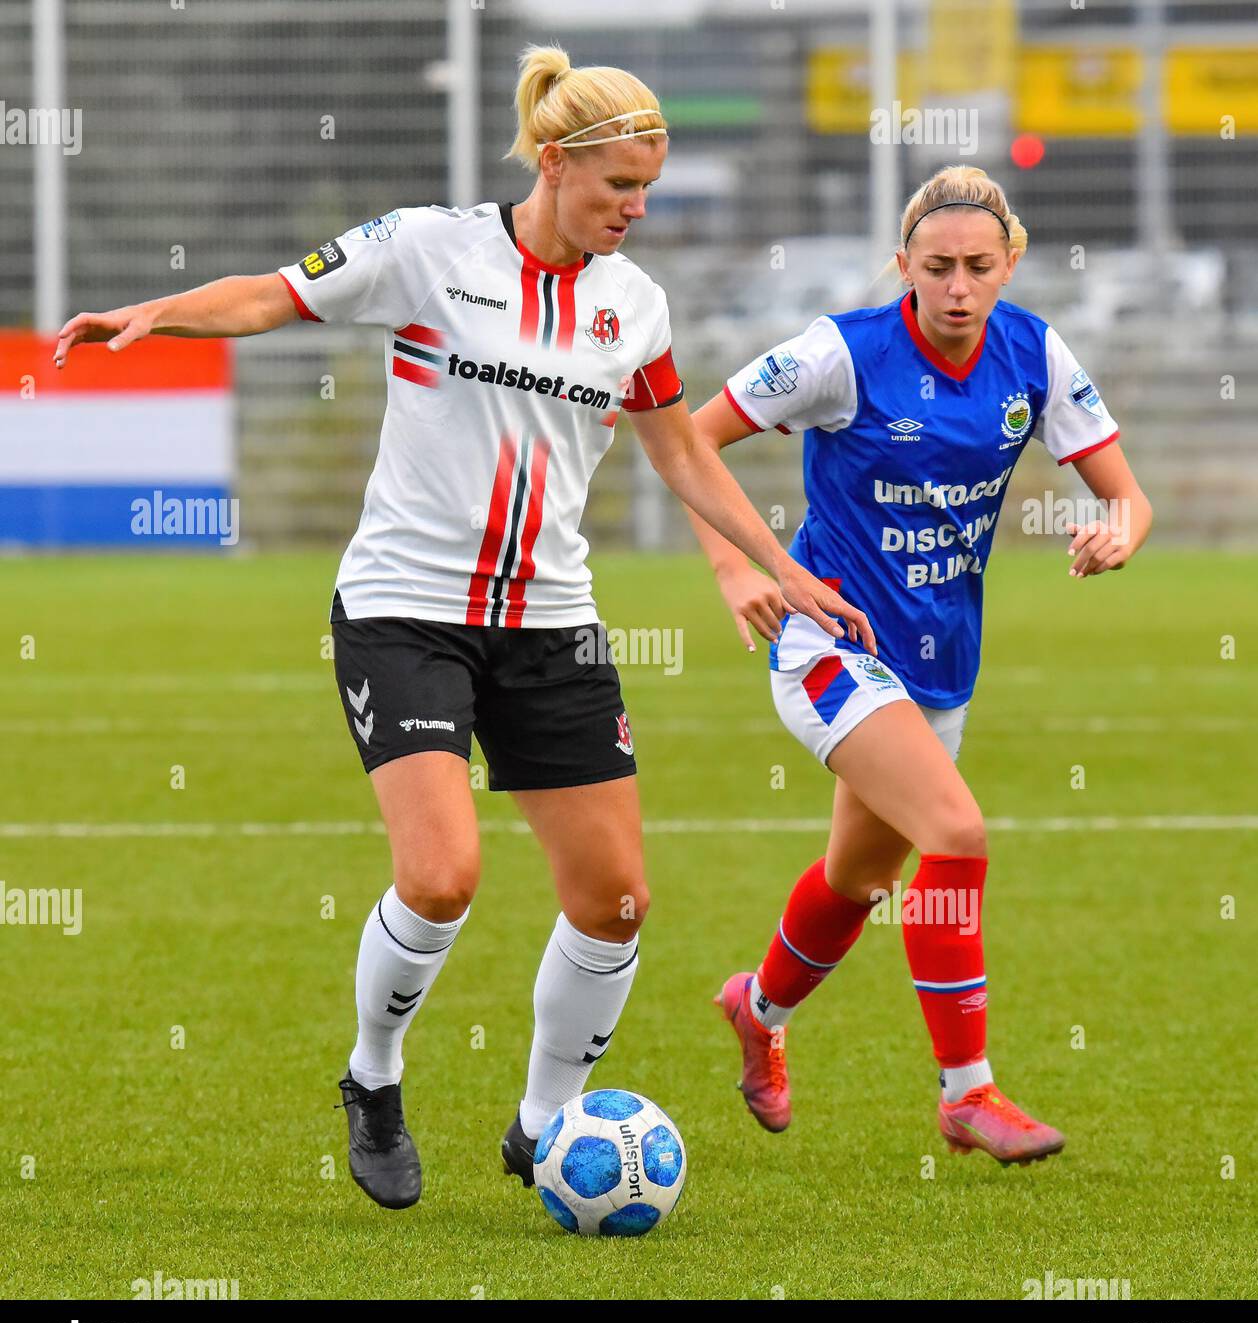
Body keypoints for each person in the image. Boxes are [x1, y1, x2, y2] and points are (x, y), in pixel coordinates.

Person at [54, 44, 872, 1210]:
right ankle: (372, 1075)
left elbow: (680, 447)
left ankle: (542, 1122)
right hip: (404, 611)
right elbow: (274, 293)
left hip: (552, 623)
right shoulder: (426, 248)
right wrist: (160, 314)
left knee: (618, 900)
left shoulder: (632, 304)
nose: (635, 210)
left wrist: (775, 564)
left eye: (647, 188)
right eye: (616, 188)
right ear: (553, 162)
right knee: (440, 877)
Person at [689, 165, 1152, 1165]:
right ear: (900, 264)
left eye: (977, 267)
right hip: (829, 641)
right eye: (934, 266)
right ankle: (967, 1094)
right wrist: (737, 569)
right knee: (956, 832)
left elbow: (1127, 495)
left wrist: (1115, 532)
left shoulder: (1034, 353)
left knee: (855, 879)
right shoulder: (839, 353)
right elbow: (690, 438)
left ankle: (757, 1007)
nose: (955, 286)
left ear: (1008, 263)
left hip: (941, 661)